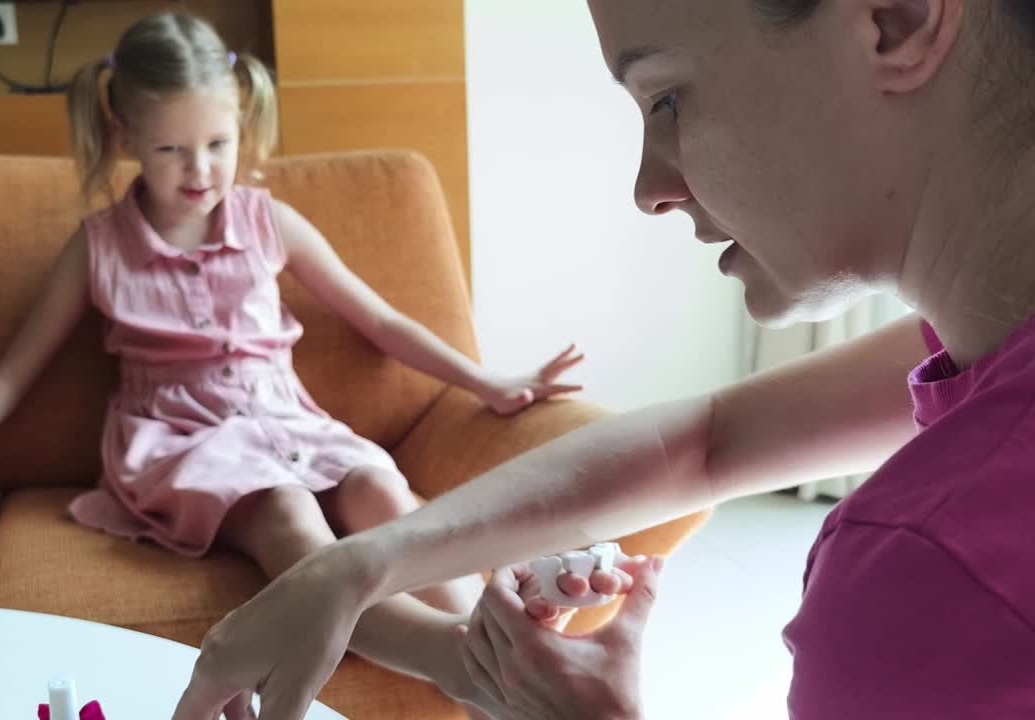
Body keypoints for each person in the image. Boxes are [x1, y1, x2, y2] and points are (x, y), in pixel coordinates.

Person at [173, 1, 1035, 718]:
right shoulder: (989, 338)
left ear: (895, 19)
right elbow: (709, 440)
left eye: (667, 99)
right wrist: (357, 564)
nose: (649, 187)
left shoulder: (930, 574)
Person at [0, 10, 585, 720]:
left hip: (290, 423)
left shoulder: (266, 219)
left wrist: (490, 382)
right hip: (182, 443)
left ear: (242, 127)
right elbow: (10, 377)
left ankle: (498, 682)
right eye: (173, 149)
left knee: (383, 490)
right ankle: (451, 662)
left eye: (218, 144)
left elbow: (378, 319)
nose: (201, 169)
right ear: (125, 136)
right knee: (288, 512)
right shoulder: (100, 246)